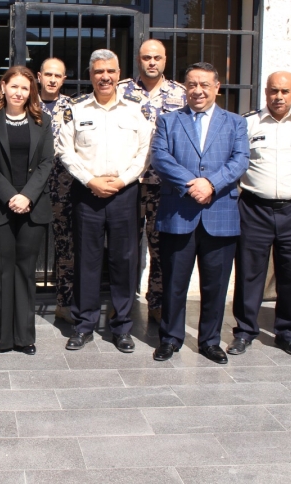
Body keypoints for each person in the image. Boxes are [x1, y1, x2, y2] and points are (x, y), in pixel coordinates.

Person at [150, 62, 249, 365]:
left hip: (220, 214)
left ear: (217, 87)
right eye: (192, 84)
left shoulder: (236, 123)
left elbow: (240, 159)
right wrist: (192, 185)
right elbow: (160, 158)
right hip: (178, 213)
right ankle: (170, 338)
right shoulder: (169, 121)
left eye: (204, 84)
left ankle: (210, 341)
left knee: (215, 285)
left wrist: (212, 184)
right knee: (174, 283)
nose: (198, 91)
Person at [57, 49, 153, 353]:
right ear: (91, 75)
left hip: (125, 193)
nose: (105, 77)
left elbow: (145, 152)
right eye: (99, 71)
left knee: (124, 261)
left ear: (119, 73)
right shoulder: (76, 109)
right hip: (88, 193)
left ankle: (122, 326)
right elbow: (64, 150)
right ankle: (83, 325)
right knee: (87, 261)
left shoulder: (136, 109)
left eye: (111, 71)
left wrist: (123, 181)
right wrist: (90, 180)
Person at [228, 71, 291, 358]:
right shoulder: (248, 123)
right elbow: (236, 162)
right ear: (266, 92)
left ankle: (287, 333)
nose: (279, 97)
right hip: (254, 209)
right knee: (249, 274)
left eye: (284, 91)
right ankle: (244, 331)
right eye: (273, 91)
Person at [0, 66, 54, 354]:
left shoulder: (42, 121)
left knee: (25, 271)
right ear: (4, 87)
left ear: (31, 92)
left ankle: (24, 337)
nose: (19, 92)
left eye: (25, 88)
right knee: (1, 271)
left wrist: (27, 196)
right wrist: (12, 196)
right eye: (14, 86)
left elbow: (47, 162)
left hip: (32, 207)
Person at [118, 39, 186, 323]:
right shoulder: (121, 91)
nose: (152, 62)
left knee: (160, 246)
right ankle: (121, 302)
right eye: (147, 57)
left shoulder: (181, 94)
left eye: (157, 57)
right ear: (138, 60)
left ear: (165, 60)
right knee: (124, 247)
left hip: (164, 184)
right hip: (129, 182)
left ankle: (157, 303)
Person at [37, 58, 75, 324]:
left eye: (57, 75)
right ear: (39, 76)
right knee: (26, 242)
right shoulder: (25, 104)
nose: (52, 79)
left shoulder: (74, 108)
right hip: (31, 183)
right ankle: (20, 301)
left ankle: (65, 302)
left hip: (65, 183)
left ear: (63, 79)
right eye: (48, 74)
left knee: (66, 245)